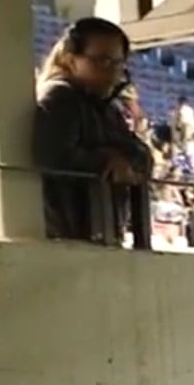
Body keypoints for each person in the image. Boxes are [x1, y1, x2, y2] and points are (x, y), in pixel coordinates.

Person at [33, 16, 152, 243]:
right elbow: (55, 157)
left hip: (100, 232)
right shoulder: (59, 97)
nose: (114, 73)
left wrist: (125, 162)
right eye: (103, 62)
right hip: (68, 235)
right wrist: (105, 160)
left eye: (119, 64)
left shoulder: (106, 107)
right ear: (71, 60)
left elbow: (142, 156)